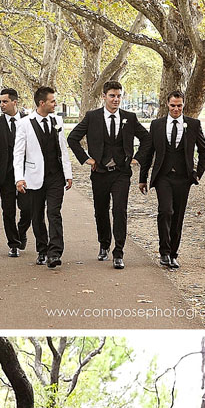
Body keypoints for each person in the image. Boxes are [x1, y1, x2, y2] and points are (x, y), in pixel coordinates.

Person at [67, 79, 152, 269]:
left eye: (119, 96)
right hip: (100, 172)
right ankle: (104, 244)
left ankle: (119, 252)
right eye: (112, 96)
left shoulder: (130, 118)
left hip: (122, 173)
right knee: (101, 210)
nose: (116, 99)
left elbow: (147, 139)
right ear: (104, 96)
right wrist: (86, 159)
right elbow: (72, 138)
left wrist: (136, 158)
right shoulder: (92, 117)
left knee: (119, 210)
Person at [138, 91, 205, 270]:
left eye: (179, 106)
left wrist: (197, 174)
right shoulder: (157, 125)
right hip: (163, 176)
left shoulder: (193, 124)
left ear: (183, 105)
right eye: (173, 105)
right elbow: (148, 153)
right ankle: (164, 252)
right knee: (165, 211)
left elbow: (204, 151)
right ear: (167, 105)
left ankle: (173, 254)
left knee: (178, 217)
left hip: (183, 178)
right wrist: (142, 178)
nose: (176, 109)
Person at [14, 86, 74, 269]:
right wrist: (19, 178)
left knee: (54, 213)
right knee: (37, 215)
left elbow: (63, 148)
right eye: (52, 101)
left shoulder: (57, 120)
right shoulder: (24, 123)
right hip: (34, 176)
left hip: (56, 176)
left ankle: (55, 252)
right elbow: (18, 154)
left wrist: (68, 174)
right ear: (42, 103)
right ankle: (42, 249)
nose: (55, 104)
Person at [0, 87, 30, 257]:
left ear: (14, 102)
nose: (2, 105)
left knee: (28, 208)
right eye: (0, 102)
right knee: (8, 210)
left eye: (5, 101)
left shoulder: (29, 120)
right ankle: (13, 243)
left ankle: (21, 231)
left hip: (26, 174)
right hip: (5, 174)